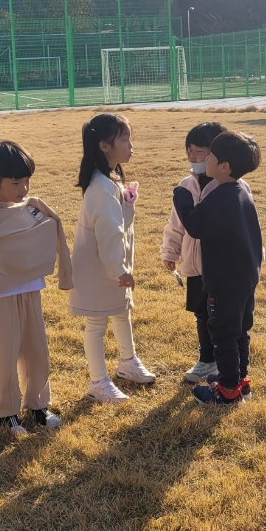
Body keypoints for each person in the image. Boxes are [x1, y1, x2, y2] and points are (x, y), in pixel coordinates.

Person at [0, 140, 73, 438]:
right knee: (3, 356)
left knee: (37, 352)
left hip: (30, 290)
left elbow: (53, 231)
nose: (24, 188)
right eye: (16, 182)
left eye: (27, 181)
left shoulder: (32, 208)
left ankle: (38, 405)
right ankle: (5, 414)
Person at [68, 114, 156, 403]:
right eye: (125, 139)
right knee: (96, 323)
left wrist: (128, 201)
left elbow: (119, 226)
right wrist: (120, 268)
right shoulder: (101, 186)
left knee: (121, 310)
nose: (131, 146)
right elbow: (108, 235)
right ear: (105, 146)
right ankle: (98, 382)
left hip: (109, 264)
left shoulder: (110, 178)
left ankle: (127, 362)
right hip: (100, 266)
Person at [173, 130, 263, 405]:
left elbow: (196, 226)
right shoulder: (240, 192)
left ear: (224, 166)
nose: (206, 160)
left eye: (210, 156)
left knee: (223, 333)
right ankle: (238, 380)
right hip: (244, 278)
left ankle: (226, 391)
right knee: (239, 330)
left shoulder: (220, 195)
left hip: (223, 282)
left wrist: (182, 198)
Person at [160, 121, 227, 384]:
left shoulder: (229, 185)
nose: (192, 157)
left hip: (222, 267)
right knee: (202, 314)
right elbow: (176, 224)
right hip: (195, 266)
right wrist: (170, 251)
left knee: (222, 315)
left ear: (217, 154)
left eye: (198, 152)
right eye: (189, 151)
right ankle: (206, 359)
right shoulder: (186, 185)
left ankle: (228, 362)